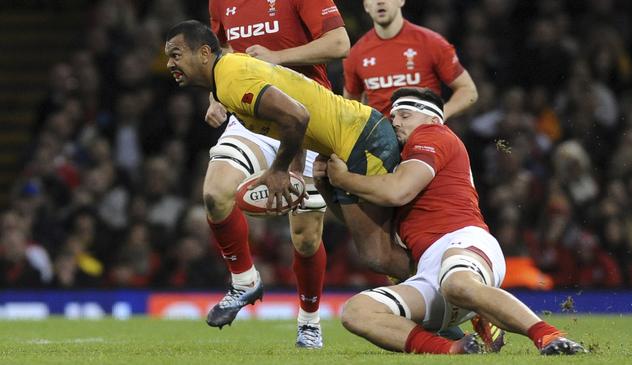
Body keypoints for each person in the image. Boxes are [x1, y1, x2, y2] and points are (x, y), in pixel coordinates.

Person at [164, 15, 413, 329]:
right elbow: (291, 113)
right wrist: (295, 170)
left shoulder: (231, 80)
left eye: (176, 54)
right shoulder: (230, 74)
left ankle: (455, 296)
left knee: (380, 254)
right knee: (387, 246)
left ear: (203, 53)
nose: (171, 64)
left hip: (361, 142)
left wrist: (279, 171)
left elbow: (296, 116)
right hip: (354, 136)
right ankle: (446, 299)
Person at [322, 87, 585, 355]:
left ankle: (549, 336)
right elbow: (363, 227)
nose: (395, 122)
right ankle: (454, 348)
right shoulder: (402, 163)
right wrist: (328, 187)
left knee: (457, 283)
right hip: (428, 268)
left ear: (434, 119)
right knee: (356, 312)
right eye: (394, 116)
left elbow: (398, 191)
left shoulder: (433, 134)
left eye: (405, 115)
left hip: (464, 242)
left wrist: (344, 180)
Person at [202, 0, 350, 349]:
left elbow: (340, 44)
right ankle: (244, 281)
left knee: (306, 237)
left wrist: (277, 57)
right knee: (215, 192)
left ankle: (309, 323)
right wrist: (217, 93)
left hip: (311, 111)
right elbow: (223, 52)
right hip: (252, 110)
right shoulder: (220, 2)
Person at [343, 0, 478, 119]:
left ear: (401, 1)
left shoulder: (431, 43)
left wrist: (440, 114)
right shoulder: (356, 54)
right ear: (366, 5)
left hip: (424, 138)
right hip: (381, 143)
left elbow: (468, 91)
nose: (380, 2)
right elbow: (350, 108)